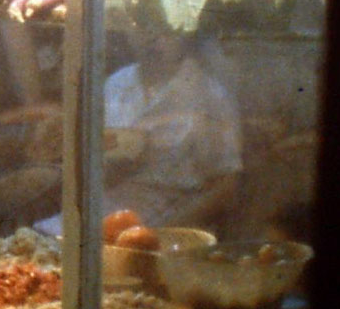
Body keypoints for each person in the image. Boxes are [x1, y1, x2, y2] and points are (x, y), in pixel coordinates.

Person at [103, 31, 242, 227]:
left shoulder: (209, 94)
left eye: (165, 31)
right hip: (109, 203)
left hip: (174, 211)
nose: (154, 38)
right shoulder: (115, 84)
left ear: (183, 36)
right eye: (144, 27)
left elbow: (226, 187)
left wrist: (167, 232)